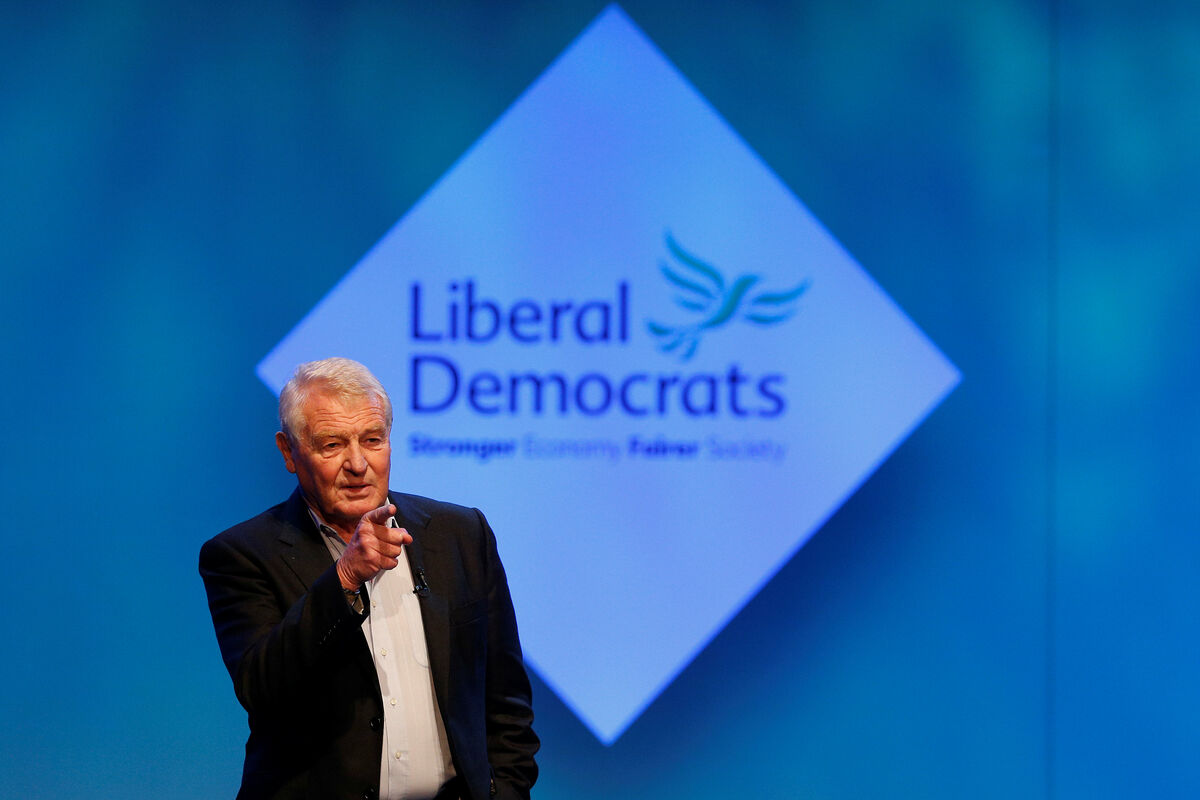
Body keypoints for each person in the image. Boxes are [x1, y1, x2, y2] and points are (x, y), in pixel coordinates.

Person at [199, 357, 538, 800]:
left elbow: (506, 700)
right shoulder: (242, 555)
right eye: (332, 445)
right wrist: (343, 578)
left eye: (372, 439)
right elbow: (262, 687)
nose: (358, 464)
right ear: (289, 452)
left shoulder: (460, 534)